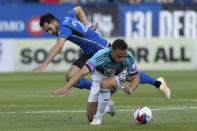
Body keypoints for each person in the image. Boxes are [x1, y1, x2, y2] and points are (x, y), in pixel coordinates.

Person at [32, 6, 170, 100]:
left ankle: (157, 83)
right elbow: (78, 9)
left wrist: (44, 64)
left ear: (55, 21)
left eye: (50, 28)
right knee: (70, 76)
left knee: (128, 77)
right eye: (47, 31)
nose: (50, 32)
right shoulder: (67, 18)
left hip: (102, 49)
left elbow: (59, 45)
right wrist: (87, 28)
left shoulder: (63, 28)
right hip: (88, 52)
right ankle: (97, 91)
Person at [52, 39, 140, 125]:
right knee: (90, 117)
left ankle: (98, 117)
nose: (122, 59)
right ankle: (107, 107)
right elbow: (82, 72)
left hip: (118, 76)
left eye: (123, 56)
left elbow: (136, 77)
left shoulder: (128, 57)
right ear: (111, 52)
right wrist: (66, 87)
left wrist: (131, 88)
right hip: (98, 77)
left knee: (105, 84)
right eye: (119, 56)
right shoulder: (100, 56)